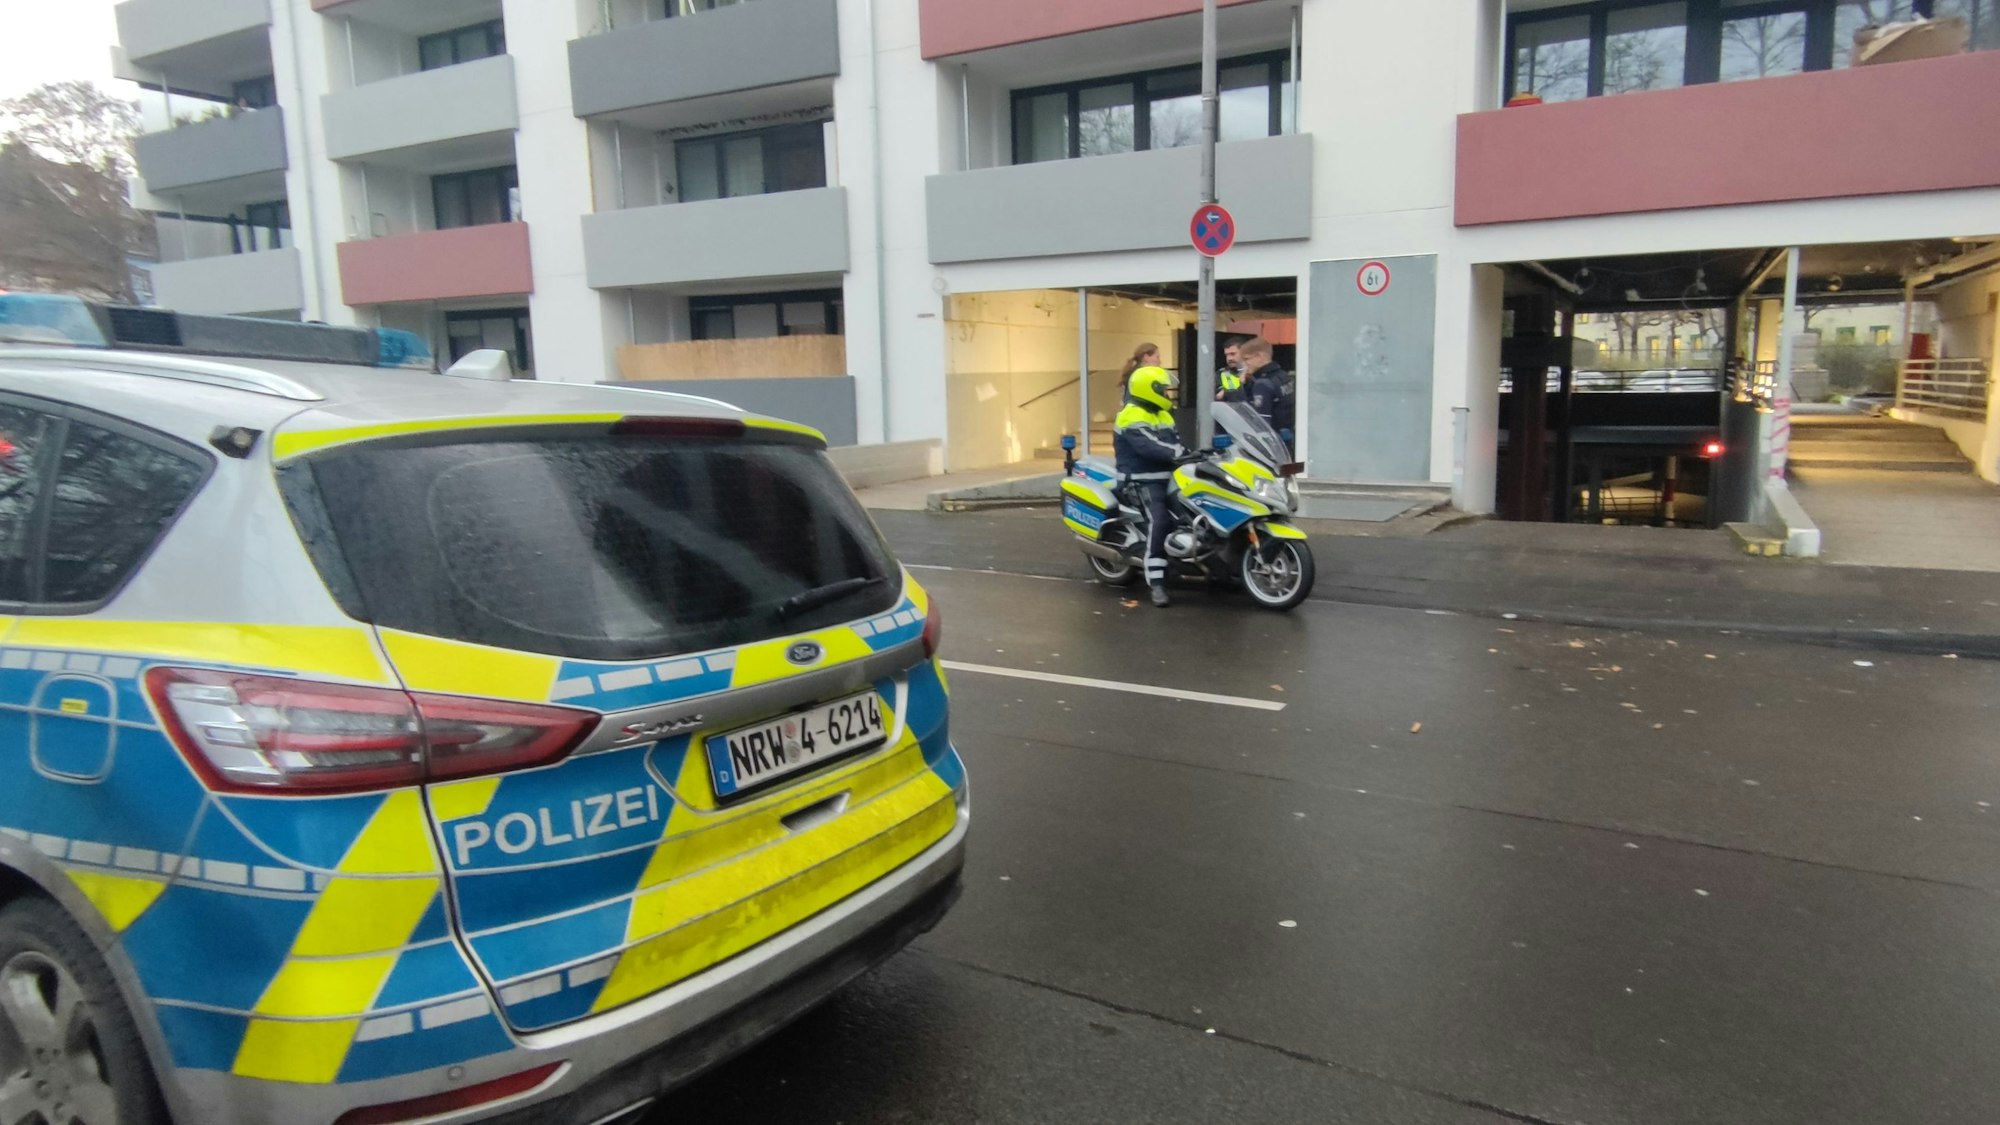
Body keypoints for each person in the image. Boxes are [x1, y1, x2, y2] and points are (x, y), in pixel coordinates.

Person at [1112, 345, 1183, 608]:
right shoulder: (1130, 414)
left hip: (1165, 477)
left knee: (1193, 511)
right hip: (1140, 480)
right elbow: (1149, 447)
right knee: (1160, 519)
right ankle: (1157, 583)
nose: (1166, 394)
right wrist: (1179, 453)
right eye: (1161, 390)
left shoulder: (1163, 413)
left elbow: (1175, 443)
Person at [1239, 336, 1296, 450]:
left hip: (1273, 445)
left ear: (1260, 356)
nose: (1245, 364)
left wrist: (1242, 387)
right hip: (1289, 439)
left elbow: (1261, 423)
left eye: (1247, 359)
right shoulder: (1283, 376)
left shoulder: (1262, 384)